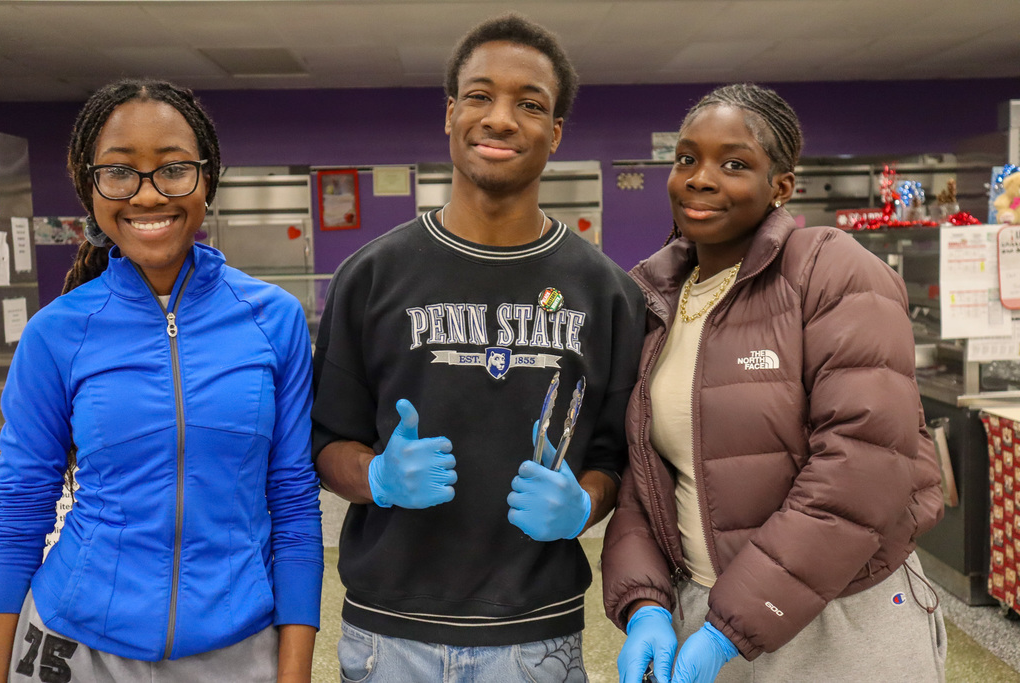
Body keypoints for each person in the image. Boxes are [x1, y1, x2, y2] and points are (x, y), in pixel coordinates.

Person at [311, 13, 644, 682]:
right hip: (389, 630)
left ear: (553, 134)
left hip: (536, 633)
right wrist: (377, 477)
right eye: (480, 96)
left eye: (530, 104)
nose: (500, 118)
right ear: (450, 114)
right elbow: (325, 445)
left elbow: (614, 457)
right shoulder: (372, 276)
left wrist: (583, 502)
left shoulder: (606, 292)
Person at [602, 83, 947, 683]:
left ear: (781, 186)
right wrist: (644, 601)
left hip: (842, 621)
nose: (701, 179)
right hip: (703, 614)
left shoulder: (832, 272)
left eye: (734, 164)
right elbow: (648, 476)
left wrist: (731, 625)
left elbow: (861, 468)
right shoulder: (656, 300)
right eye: (687, 159)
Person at [0, 79, 323, 683]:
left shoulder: (272, 319)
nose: (147, 195)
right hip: (76, 646)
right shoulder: (56, 333)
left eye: (173, 168)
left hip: (235, 647)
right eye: (119, 171)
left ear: (208, 179)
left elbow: (294, 502)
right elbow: (19, 508)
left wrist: (295, 670)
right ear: (89, 187)